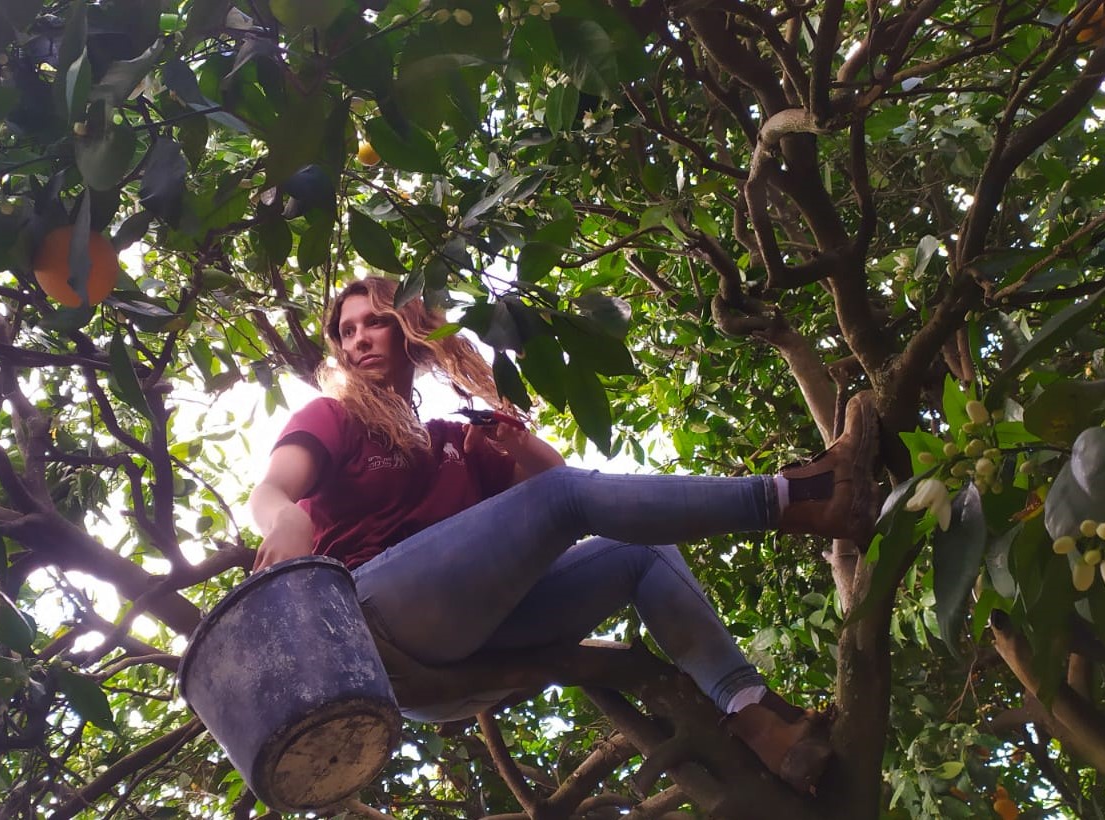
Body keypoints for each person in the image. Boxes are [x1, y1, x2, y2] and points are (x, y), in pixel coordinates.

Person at [247, 276, 880, 793]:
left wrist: (516, 443)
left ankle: (755, 715)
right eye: (347, 331)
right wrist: (288, 517)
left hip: (476, 642)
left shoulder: (450, 443)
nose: (358, 339)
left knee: (641, 551)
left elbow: (570, 488)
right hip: (380, 623)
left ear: (408, 327)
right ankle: (800, 498)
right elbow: (271, 490)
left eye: (373, 321)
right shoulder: (333, 415)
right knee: (570, 503)